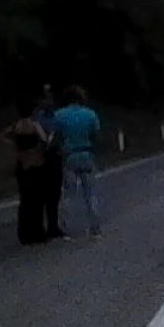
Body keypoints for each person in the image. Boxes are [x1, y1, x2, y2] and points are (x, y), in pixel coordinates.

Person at [53, 86, 103, 238]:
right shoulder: (90, 114)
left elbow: (56, 136)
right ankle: (95, 228)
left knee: (68, 194)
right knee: (90, 194)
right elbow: (95, 133)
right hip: (86, 153)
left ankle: (65, 229)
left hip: (69, 155)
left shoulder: (59, 115)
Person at [1, 107, 52, 245]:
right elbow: (44, 140)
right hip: (35, 164)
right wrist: (36, 151)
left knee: (25, 200)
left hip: (22, 164)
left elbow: (3, 135)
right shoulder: (34, 125)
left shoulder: (16, 126)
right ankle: (38, 232)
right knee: (38, 199)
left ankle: (24, 234)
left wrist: (15, 147)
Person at [32, 88, 65, 240]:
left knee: (55, 193)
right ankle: (41, 227)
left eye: (50, 99)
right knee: (43, 193)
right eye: (45, 99)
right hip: (42, 157)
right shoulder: (37, 118)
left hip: (55, 156)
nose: (48, 102)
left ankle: (53, 226)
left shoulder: (57, 117)